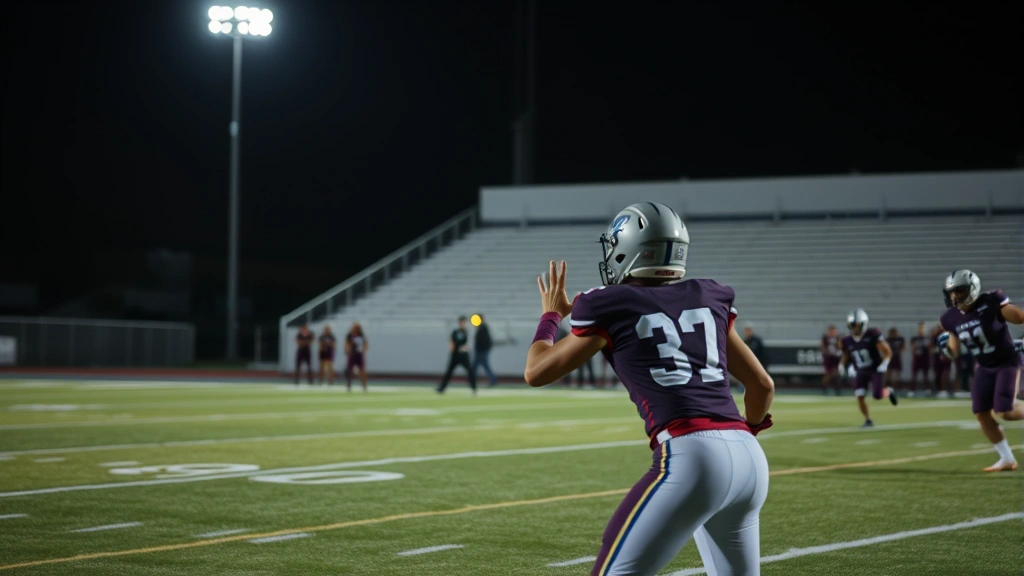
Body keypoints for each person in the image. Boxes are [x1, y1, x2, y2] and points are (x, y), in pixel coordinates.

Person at [523, 202, 774, 576]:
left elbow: (536, 370)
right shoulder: (708, 296)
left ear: (630, 248)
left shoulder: (605, 303)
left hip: (692, 455)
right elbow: (762, 385)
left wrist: (550, 316)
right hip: (750, 460)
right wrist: (746, 432)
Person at [937, 269, 1024, 472]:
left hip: (1006, 362)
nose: (955, 296)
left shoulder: (992, 302)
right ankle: (1007, 458)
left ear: (972, 288)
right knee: (981, 413)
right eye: (952, 292)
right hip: (984, 367)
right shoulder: (950, 318)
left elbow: (1019, 317)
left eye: (959, 291)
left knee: (1005, 411)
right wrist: (945, 351)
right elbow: (954, 351)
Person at [837, 308, 898, 428]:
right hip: (860, 370)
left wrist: (883, 366)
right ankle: (868, 420)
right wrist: (841, 365)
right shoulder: (846, 340)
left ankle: (888, 391)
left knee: (877, 395)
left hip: (875, 369)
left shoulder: (872, 334)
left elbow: (888, 352)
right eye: (852, 325)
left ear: (864, 324)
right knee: (859, 395)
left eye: (857, 325)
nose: (855, 328)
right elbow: (845, 355)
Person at [438, 316, 476, 394]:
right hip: (455, 355)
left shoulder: (467, 332)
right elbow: (451, 341)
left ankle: (473, 388)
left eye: (463, 322)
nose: (462, 324)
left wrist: (464, 348)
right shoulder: (455, 332)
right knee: (449, 372)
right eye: (461, 322)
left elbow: (469, 344)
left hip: (464, 355)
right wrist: (451, 348)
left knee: (470, 371)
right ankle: (442, 388)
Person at [472, 314, 498, 388]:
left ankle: (492, 380)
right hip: (481, 350)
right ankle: (472, 380)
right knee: (478, 366)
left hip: (481, 351)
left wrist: (484, 348)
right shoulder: (481, 327)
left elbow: (484, 340)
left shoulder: (483, 328)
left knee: (479, 366)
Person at [344, 323, 368, 392]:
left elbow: (365, 344)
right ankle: (349, 384)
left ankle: (364, 385)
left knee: (362, 370)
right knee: (349, 370)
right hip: (352, 354)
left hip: (359, 354)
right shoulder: (350, 335)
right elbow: (346, 343)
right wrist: (347, 350)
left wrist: (363, 350)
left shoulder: (361, 335)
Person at [931, 323, 953, 397]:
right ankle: (938, 389)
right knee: (938, 374)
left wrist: (944, 354)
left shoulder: (948, 335)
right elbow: (932, 346)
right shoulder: (936, 336)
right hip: (937, 357)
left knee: (945, 374)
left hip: (946, 356)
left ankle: (944, 389)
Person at [909, 322, 930, 397]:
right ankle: (912, 389)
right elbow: (912, 348)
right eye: (920, 328)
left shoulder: (927, 338)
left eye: (923, 328)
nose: (921, 329)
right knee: (914, 375)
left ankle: (926, 389)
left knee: (925, 375)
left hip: (925, 359)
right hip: (917, 358)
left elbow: (930, 348)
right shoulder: (915, 338)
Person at [821, 325, 842, 396]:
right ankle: (824, 389)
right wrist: (826, 353)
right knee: (828, 373)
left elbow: (841, 346)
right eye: (832, 331)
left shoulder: (838, 338)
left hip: (836, 357)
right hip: (829, 358)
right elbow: (822, 347)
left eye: (834, 331)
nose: (833, 332)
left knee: (837, 373)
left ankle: (837, 389)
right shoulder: (825, 338)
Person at [885, 327, 906, 394]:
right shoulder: (888, 340)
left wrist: (898, 350)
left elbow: (903, 347)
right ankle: (888, 386)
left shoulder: (900, 339)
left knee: (898, 373)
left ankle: (897, 386)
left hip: (897, 357)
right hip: (890, 358)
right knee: (889, 373)